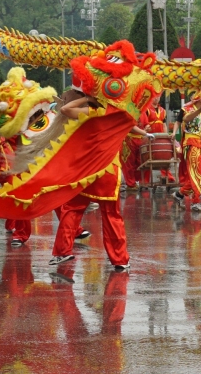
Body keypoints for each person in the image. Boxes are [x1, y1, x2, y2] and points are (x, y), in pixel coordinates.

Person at [48, 92, 131, 271]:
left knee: (72, 209)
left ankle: (62, 251)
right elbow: (133, 124)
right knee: (111, 215)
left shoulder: (91, 111)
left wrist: (87, 99)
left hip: (88, 170)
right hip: (108, 171)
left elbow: (65, 109)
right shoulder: (120, 113)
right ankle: (120, 260)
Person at [173, 95, 201, 212]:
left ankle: (179, 194)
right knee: (198, 174)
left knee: (199, 174)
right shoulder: (187, 108)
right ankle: (195, 202)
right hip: (190, 143)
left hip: (199, 143)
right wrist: (174, 133)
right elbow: (185, 120)